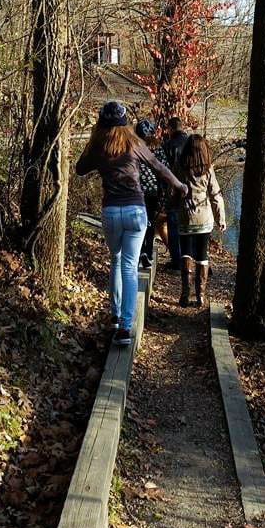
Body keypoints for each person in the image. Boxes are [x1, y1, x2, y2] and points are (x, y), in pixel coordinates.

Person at [76, 101, 187, 346]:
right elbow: (159, 168)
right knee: (129, 267)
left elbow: (80, 169)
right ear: (125, 122)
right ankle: (125, 328)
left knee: (115, 260)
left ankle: (115, 316)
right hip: (136, 211)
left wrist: (92, 144)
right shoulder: (134, 143)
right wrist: (179, 185)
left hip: (111, 211)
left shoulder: (98, 145)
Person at [177, 134, 226, 308]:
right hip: (204, 219)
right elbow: (215, 195)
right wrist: (221, 219)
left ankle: (184, 294)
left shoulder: (180, 167)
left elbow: (172, 191)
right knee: (202, 255)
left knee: (186, 253)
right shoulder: (208, 169)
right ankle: (201, 296)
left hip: (185, 218)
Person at [135, 118, 170, 268]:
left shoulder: (133, 147)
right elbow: (164, 169)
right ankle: (148, 254)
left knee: (137, 222)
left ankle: (138, 251)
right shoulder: (158, 148)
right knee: (149, 221)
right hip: (153, 190)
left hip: (135, 190)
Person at [162, 116, 189, 271]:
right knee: (188, 226)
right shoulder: (192, 144)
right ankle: (188, 259)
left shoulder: (168, 146)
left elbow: (163, 169)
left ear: (170, 129)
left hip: (173, 190)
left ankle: (176, 260)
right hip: (190, 190)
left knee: (173, 226)